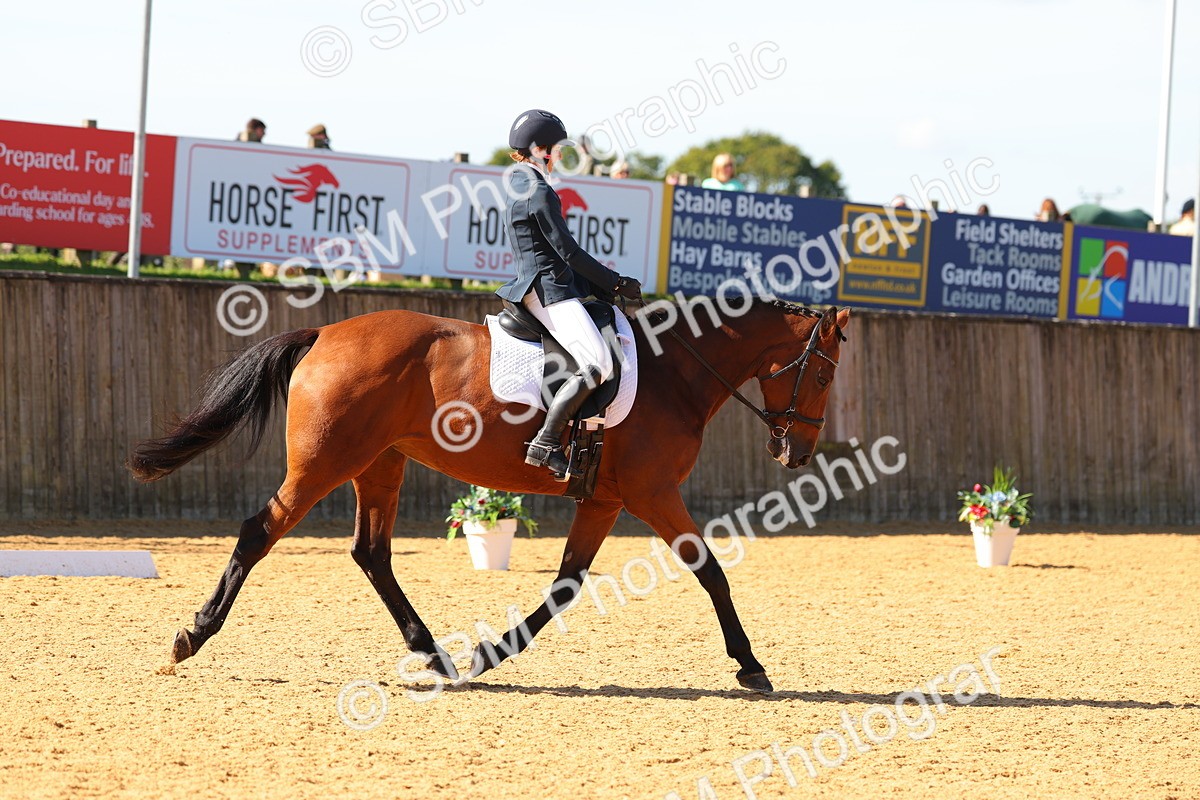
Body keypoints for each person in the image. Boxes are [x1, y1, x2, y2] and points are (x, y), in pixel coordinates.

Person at [496, 109, 642, 480]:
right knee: (598, 362)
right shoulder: (539, 189)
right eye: (558, 148)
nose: (562, 154)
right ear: (542, 149)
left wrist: (597, 288)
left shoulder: (519, 184)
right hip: (548, 293)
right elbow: (567, 252)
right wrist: (615, 282)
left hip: (545, 286)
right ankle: (546, 442)